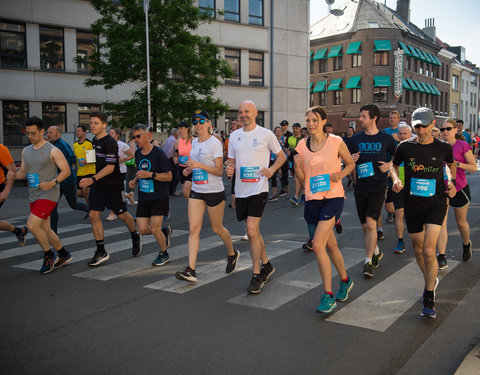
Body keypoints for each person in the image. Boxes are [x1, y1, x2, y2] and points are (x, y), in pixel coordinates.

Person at [391, 107, 457, 318]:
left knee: (430, 251)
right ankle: (431, 277)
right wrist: (396, 179)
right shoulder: (405, 147)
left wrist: (451, 183)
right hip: (412, 204)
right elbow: (393, 166)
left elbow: (451, 165)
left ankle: (429, 294)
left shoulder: (443, 147)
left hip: (436, 203)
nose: (419, 130)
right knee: (419, 251)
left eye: (423, 126)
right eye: (416, 126)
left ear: (433, 123)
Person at [294, 106, 355, 313]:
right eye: (308, 120)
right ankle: (345, 281)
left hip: (333, 197)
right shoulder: (302, 145)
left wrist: (341, 175)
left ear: (323, 121)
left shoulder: (336, 141)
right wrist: (298, 166)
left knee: (318, 245)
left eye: (314, 120)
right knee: (331, 246)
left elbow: (350, 164)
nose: (310, 124)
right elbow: (303, 181)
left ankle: (328, 295)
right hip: (313, 199)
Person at [225, 100, 286, 294]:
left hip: (259, 188)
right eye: (241, 112)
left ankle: (256, 274)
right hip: (242, 190)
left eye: (247, 111)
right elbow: (232, 162)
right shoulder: (234, 136)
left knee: (251, 230)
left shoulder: (266, 134)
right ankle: (267, 264)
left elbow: (282, 155)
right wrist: (229, 169)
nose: (243, 115)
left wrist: (272, 169)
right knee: (254, 231)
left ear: (255, 113)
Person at [175, 110, 239, 282]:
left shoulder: (215, 143)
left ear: (209, 124)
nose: (198, 125)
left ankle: (232, 253)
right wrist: (190, 169)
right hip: (197, 190)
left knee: (217, 228)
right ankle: (191, 269)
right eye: (195, 122)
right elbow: (196, 165)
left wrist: (200, 165)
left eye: (201, 121)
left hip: (214, 191)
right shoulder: (194, 143)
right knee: (193, 229)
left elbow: (219, 171)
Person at [79, 112, 141, 266]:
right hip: (98, 185)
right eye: (91, 122)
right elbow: (95, 160)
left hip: (113, 186)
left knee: (122, 215)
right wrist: (87, 167)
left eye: (96, 123)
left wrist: (92, 178)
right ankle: (101, 251)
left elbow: (110, 167)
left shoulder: (110, 143)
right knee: (94, 215)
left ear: (104, 125)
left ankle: (135, 234)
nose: (92, 125)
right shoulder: (94, 140)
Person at [15, 116, 72, 274]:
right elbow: (23, 173)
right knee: (45, 229)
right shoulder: (25, 150)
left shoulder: (52, 150)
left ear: (41, 132)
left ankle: (49, 256)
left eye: (33, 133)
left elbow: (66, 171)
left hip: (49, 193)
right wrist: (12, 174)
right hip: (34, 194)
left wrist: (53, 182)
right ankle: (64, 254)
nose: (30, 136)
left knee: (33, 225)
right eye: (28, 133)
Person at [348, 104, 396, 278]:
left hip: (378, 185)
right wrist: (351, 159)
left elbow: (398, 154)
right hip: (360, 186)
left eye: (363, 116)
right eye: (360, 116)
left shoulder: (386, 139)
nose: (360, 120)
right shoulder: (355, 139)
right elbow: (346, 159)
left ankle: (367, 262)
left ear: (374, 118)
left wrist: (390, 164)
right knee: (364, 226)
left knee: (370, 224)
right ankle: (375, 250)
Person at [128, 124, 173, 266]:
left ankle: (164, 253)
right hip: (144, 197)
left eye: (138, 136)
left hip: (159, 196)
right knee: (141, 229)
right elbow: (140, 172)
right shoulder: (138, 153)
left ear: (148, 135)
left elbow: (169, 177)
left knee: (154, 228)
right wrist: (135, 181)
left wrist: (151, 175)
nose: (136, 140)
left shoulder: (159, 153)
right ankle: (164, 232)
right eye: (134, 137)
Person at [436, 118, 476, 269]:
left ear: (455, 130)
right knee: (441, 223)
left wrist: (456, 163)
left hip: (460, 188)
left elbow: (473, 167)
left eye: (448, 129)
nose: (445, 132)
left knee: (461, 222)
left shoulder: (463, 145)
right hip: (444, 189)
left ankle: (466, 244)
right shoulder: (438, 146)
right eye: (443, 129)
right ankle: (442, 256)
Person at [47, 126, 89, 233]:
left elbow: (72, 158)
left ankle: (91, 211)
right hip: (56, 181)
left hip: (67, 180)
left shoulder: (62, 145)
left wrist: (61, 164)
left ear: (58, 134)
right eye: (48, 132)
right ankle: (53, 232)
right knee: (52, 207)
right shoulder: (49, 146)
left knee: (73, 205)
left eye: (51, 133)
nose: (48, 134)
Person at [391, 123, 413, 254]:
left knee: (416, 214)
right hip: (399, 185)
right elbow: (392, 165)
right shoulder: (396, 147)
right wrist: (395, 179)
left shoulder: (416, 147)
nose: (402, 136)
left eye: (405, 133)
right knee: (398, 213)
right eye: (400, 133)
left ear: (411, 135)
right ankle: (400, 240)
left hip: (414, 186)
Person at [0, 143, 28, 245]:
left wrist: (6, 191)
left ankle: (18, 231)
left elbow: (12, 171)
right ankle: (19, 231)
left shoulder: (1, 149)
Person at [106, 128, 134, 221]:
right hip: (109, 170)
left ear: (117, 135)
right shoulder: (107, 144)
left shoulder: (122, 145)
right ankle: (128, 195)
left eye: (112, 133)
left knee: (113, 192)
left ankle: (113, 213)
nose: (110, 134)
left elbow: (131, 155)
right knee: (113, 192)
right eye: (109, 133)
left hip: (120, 171)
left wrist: (123, 159)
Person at [73, 125, 96, 207]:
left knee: (86, 191)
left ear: (84, 133)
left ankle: (91, 210)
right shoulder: (75, 145)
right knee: (79, 193)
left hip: (89, 171)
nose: (77, 132)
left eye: (79, 131)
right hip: (80, 172)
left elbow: (93, 159)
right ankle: (95, 197)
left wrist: (86, 161)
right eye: (76, 131)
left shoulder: (88, 144)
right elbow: (75, 158)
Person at [268, 126, 289, 202]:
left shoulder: (285, 139)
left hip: (283, 159)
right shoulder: (272, 140)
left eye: (279, 131)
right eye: (276, 131)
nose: (278, 132)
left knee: (284, 176)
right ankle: (274, 194)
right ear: (274, 132)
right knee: (273, 176)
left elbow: (287, 151)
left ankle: (287, 192)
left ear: (282, 132)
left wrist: (282, 144)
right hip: (274, 159)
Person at [173, 121, 193, 200]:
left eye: (181, 128)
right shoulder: (178, 141)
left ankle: (193, 207)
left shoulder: (193, 140)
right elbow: (176, 154)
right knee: (186, 193)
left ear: (187, 129)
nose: (179, 131)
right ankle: (192, 207)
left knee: (185, 191)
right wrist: (175, 159)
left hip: (191, 168)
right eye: (178, 129)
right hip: (181, 168)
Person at [287, 123, 304, 205]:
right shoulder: (290, 138)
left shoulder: (303, 139)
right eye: (293, 128)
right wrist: (287, 151)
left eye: (296, 128)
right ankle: (304, 194)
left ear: (300, 129)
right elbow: (287, 147)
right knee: (299, 179)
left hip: (301, 161)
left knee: (297, 178)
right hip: (292, 161)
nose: (295, 130)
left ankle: (295, 197)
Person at [163, 127, 179, 195]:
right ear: (176, 133)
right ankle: (172, 191)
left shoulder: (168, 139)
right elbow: (170, 151)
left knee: (170, 175)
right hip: (171, 159)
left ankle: (169, 190)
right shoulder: (174, 140)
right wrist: (172, 158)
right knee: (174, 176)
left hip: (166, 159)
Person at [124, 133, 138, 206]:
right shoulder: (132, 144)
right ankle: (129, 197)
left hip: (130, 164)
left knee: (129, 179)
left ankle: (128, 197)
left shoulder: (129, 142)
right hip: (132, 164)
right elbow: (133, 154)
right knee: (131, 180)